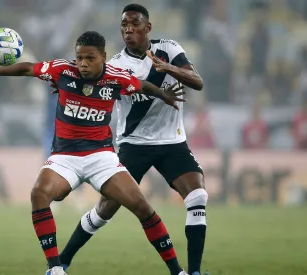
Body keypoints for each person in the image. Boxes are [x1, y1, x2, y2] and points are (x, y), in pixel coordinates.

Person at [0, 31, 189, 275]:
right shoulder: (62, 70)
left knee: (142, 206)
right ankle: (55, 268)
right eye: (79, 57)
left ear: (103, 57)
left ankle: (177, 271)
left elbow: (142, 85)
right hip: (65, 157)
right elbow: (28, 68)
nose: (83, 63)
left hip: (101, 157)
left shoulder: (117, 77)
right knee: (39, 194)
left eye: (90, 58)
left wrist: (163, 94)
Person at [58, 4, 208, 275]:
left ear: (147, 27)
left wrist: (167, 68)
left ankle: (194, 272)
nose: (128, 30)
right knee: (105, 208)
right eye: (124, 25)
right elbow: (89, 85)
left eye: (134, 24)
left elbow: (197, 81)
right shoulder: (115, 65)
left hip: (172, 143)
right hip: (133, 145)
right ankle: (62, 262)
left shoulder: (169, 49)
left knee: (197, 195)